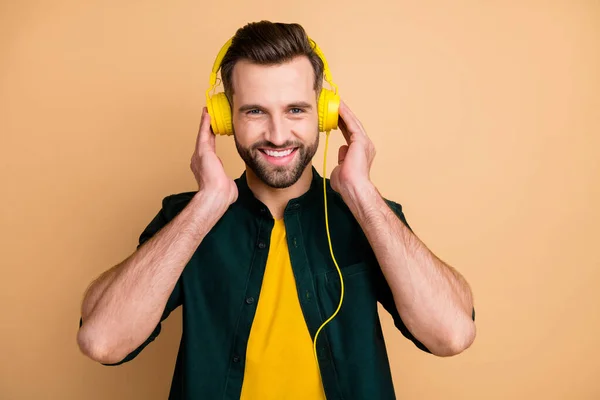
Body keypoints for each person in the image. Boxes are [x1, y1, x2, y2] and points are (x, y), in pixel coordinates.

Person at [76, 20, 476, 400]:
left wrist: (362, 193)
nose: (278, 134)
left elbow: (452, 335)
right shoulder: (186, 221)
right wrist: (206, 205)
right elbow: (102, 341)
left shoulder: (370, 216)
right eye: (255, 111)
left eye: (296, 110)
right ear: (224, 118)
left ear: (324, 113)